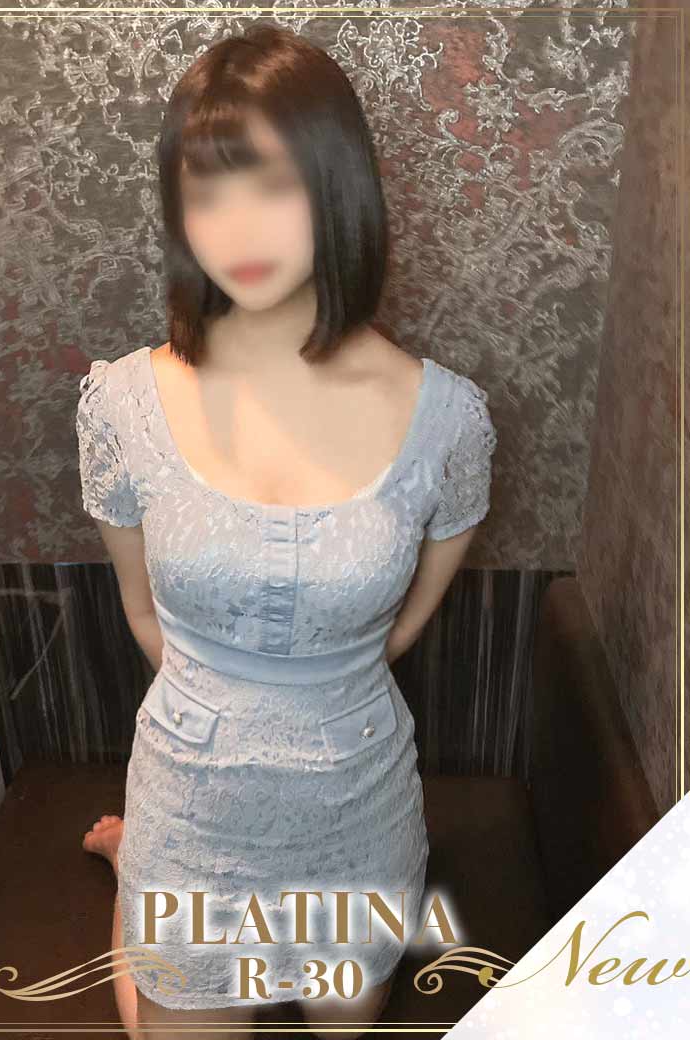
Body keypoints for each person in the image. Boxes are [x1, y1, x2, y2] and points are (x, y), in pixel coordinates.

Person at [76, 24, 497, 1040]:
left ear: (336, 184)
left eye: (272, 184)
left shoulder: (448, 420)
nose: (238, 228)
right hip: (191, 796)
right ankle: (139, 864)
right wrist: (229, 715)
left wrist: (314, 691)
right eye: (207, 193)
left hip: (355, 799)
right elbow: (142, 612)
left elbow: (403, 623)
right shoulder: (123, 403)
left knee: (345, 1023)